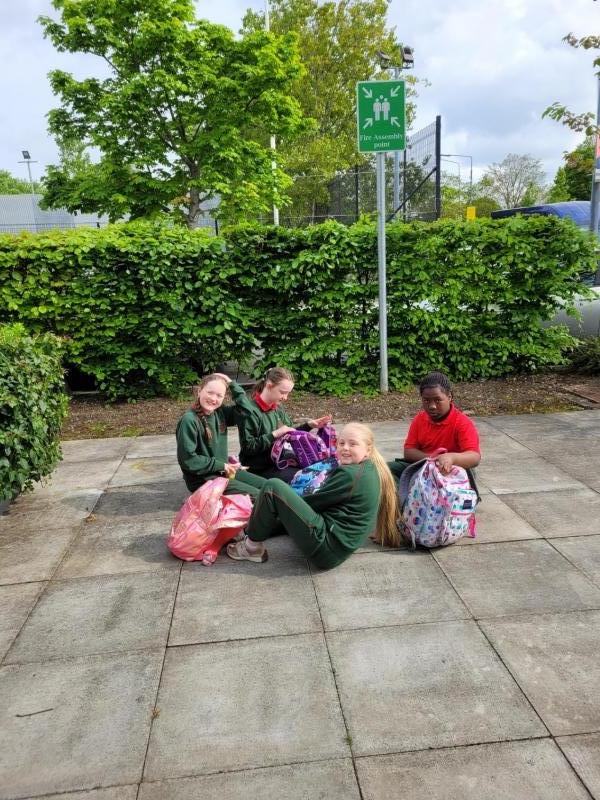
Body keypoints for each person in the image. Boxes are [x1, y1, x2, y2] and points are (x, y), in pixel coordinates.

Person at [226, 423, 400, 568]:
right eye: (341, 443)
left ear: (368, 450)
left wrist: (280, 504)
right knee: (278, 495)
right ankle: (250, 522)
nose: (345, 448)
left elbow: (311, 503)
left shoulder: (350, 475)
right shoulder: (369, 468)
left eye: (352, 444)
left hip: (326, 550)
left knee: (273, 487)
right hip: (334, 543)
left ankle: (251, 547)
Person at [176, 373, 266, 498]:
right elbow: (188, 459)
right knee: (260, 496)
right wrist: (221, 465)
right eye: (210, 393)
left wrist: (232, 384)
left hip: (224, 471)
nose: (214, 399)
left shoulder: (220, 412)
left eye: (219, 395)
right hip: (203, 479)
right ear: (199, 391)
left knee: (267, 486)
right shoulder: (189, 420)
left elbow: (247, 411)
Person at [235, 366, 332, 483]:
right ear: (269, 385)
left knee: (318, 468)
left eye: (288, 393)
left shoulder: (277, 407)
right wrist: (274, 434)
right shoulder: (249, 412)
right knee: (305, 478)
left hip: (278, 460)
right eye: (282, 393)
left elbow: (289, 432)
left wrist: (310, 425)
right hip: (258, 468)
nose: (285, 398)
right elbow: (248, 448)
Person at [388, 371, 481, 481]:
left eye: (438, 400)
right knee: (384, 470)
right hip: (423, 465)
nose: (432, 406)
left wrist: (451, 458)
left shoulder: (462, 422)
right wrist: (433, 459)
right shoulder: (419, 419)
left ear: (449, 397)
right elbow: (409, 451)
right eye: (426, 400)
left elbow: (474, 457)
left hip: (452, 471)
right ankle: (402, 491)